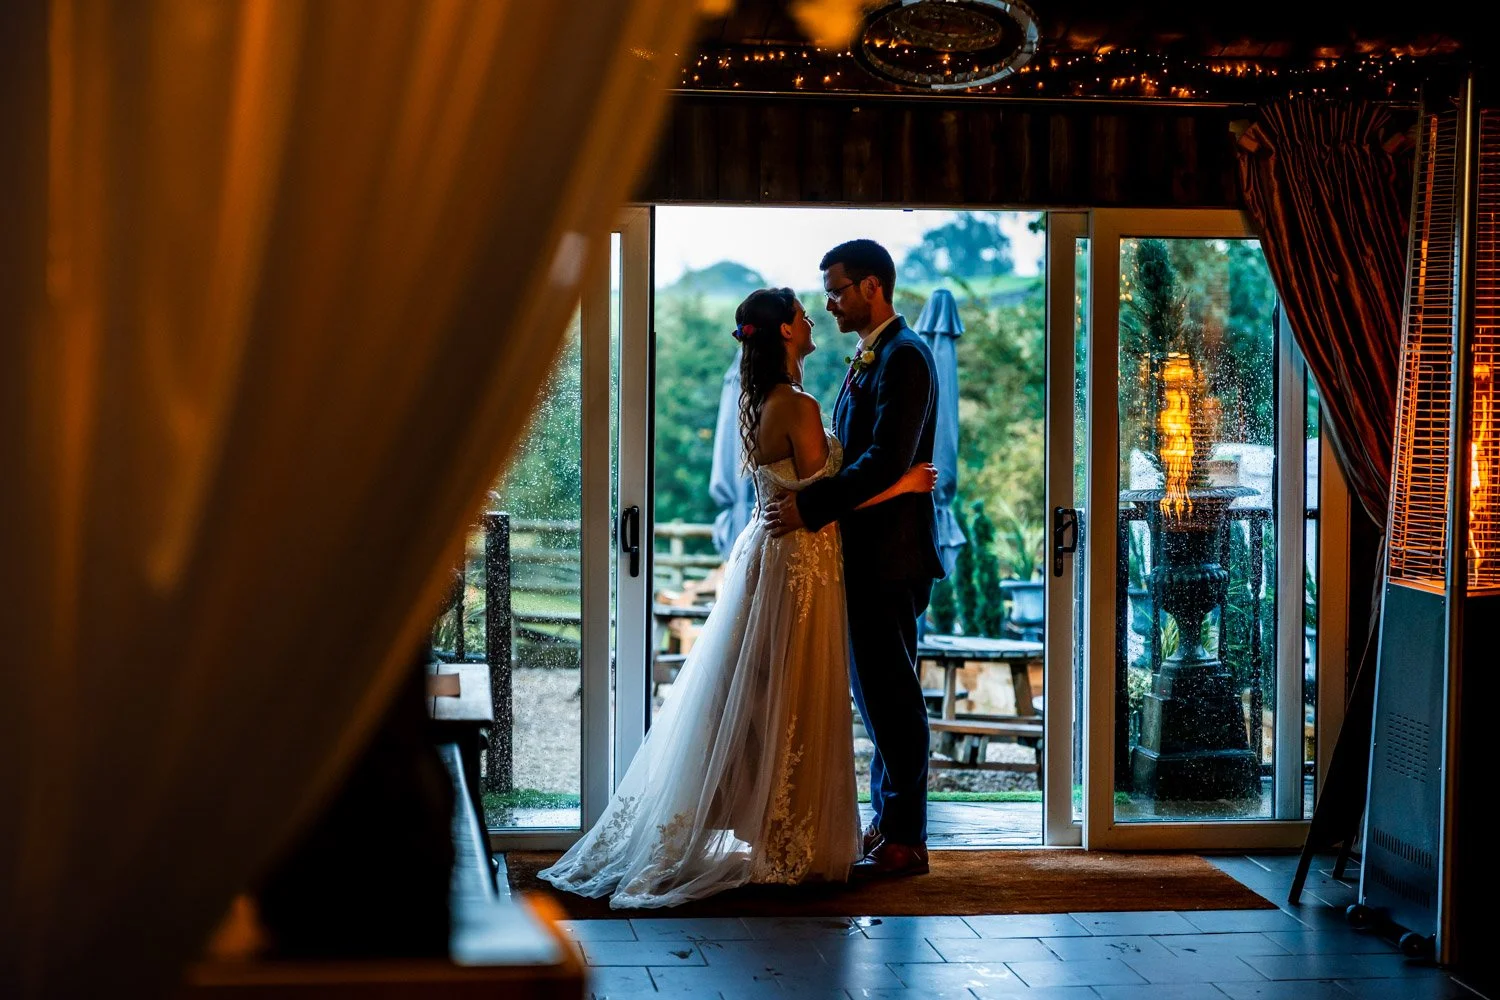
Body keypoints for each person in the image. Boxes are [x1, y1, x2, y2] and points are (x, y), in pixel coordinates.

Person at [539, 286, 936, 908]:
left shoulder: (763, 400)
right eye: (806, 312)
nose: (814, 316)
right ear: (783, 333)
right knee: (794, 693)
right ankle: (786, 833)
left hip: (777, 555)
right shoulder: (798, 405)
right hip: (799, 562)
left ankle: (776, 824)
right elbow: (821, 498)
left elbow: (809, 493)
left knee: (763, 692)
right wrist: (903, 484)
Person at [765, 239, 944, 880]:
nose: (830, 303)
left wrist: (812, 511)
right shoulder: (870, 358)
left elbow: (885, 461)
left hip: (890, 555)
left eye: (837, 290)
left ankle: (906, 838)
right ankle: (885, 823)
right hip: (862, 551)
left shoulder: (907, 357)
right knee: (875, 695)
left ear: (872, 287)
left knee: (893, 698)